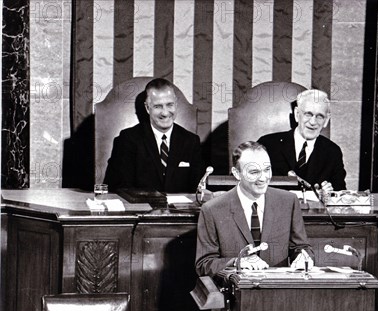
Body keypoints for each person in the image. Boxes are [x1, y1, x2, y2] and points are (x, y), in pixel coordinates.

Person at [195, 141, 314, 277]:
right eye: (254, 172)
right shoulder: (212, 209)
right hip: (234, 293)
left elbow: (302, 248)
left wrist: (303, 258)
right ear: (236, 173)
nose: (263, 178)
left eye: (267, 169)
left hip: (277, 292)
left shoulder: (289, 201)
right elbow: (203, 265)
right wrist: (237, 262)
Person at [104, 78, 207, 193]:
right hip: (140, 209)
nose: (165, 112)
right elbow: (120, 187)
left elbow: (198, 188)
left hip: (181, 210)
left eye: (169, 105)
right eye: (158, 106)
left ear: (176, 104)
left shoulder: (191, 141)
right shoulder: (127, 139)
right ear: (148, 108)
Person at [258, 89, 347, 192]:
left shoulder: (333, 152)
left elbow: (340, 193)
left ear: (326, 120)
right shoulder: (267, 144)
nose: (313, 122)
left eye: (320, 116)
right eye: (308, 114)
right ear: (297, 114)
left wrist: (330, 193)